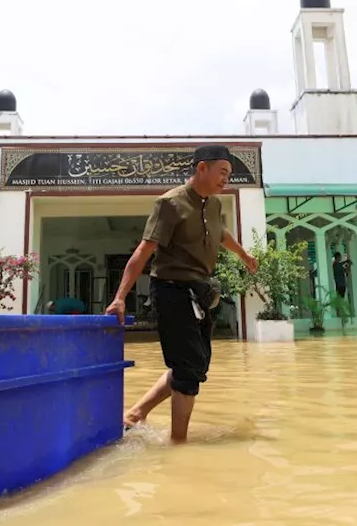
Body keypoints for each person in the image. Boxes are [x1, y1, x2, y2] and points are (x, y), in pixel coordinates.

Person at [105, 145, 257, 443]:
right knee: (187, 370)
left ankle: (135, 414)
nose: (226, 180)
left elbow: (221, 233)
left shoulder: (213, 205)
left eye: (229, 175)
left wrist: (244, 255)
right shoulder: (169, 204)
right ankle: (178, 445)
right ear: (202, 168)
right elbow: (143, 251)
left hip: (199, 292)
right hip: (170, 290)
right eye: (222, 173)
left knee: (196, 365)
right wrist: (120, 295)